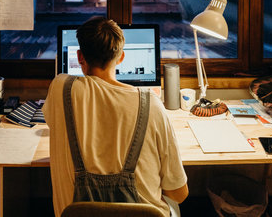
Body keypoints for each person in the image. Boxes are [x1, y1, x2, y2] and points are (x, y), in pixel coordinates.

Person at [42, 17, 188, 217]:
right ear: (121, 57)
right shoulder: (151, 104)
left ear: (79, 57)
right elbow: (179, 193)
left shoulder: (60, 88)